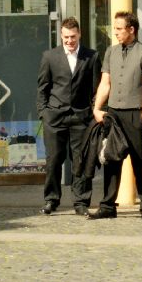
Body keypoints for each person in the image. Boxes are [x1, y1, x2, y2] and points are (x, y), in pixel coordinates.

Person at [90, 11, 142, 221]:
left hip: (135, 114)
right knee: (111, 160)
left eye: (120, 28)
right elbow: (105, 82)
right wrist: (97, 107)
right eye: (115, 28)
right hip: (113, 114)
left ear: (132, 29)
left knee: (140, 161)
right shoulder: (111, 52)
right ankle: (108, 206)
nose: (116, 32)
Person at [36, 16, 101, 215]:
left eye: (73, 37)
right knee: (54, 160)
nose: (69, 41)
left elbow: (96, 88)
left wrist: (93, 112)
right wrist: (44, 113)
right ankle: (51, 200)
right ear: (61, 36)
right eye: (66, 37)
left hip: (81, 118)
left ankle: (81, 201)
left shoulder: (92, 56)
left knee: (80, 161)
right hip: (55, 117)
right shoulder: (50, 56)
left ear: (79, 34)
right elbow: (42, 88)